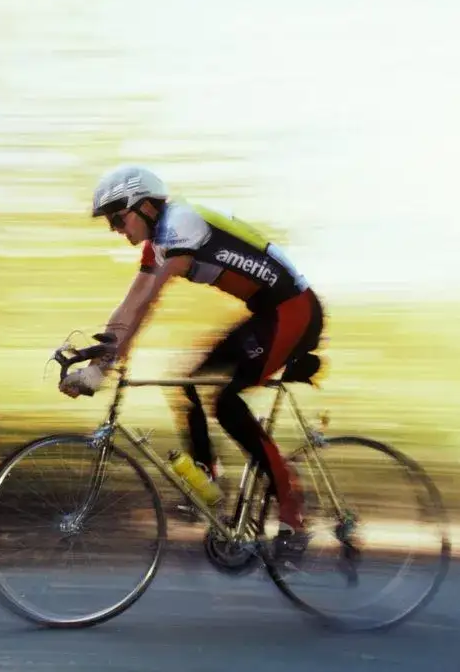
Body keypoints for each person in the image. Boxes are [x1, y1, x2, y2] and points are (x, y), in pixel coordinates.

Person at [59, 164, 325, 558]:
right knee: (187, 380)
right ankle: (207, 477)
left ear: (145, 206)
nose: (115, 228)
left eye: (118, 217)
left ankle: (291, 502)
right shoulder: (158, 243)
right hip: (267, 313)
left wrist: (105, 368)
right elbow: (129, 304)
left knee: (227, 403)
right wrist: (99, 358)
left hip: (294, 311)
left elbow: (148, 301)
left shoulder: (180, 223)